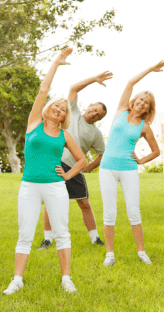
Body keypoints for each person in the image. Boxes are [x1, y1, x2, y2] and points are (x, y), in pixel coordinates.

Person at [2, 48, 86, 295]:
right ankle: (17, 280)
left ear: (64, 117)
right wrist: (56, 63)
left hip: (55, 186)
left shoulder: (64, 134)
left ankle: (66, 279)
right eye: (56, 105)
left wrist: (68, 175)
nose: (59, 108)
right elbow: (42, 89)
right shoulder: (34, 124)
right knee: (25, 233)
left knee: (62, 232)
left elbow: (81, 160)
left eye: (63, 108)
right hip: (29, 186)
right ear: (48, 108)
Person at [99, 60, 164, 266]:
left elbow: (156, 150)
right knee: (109, 211)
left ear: (148, 109)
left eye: (147, 102)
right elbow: (130, 82)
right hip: (107, 168)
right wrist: (151, 69)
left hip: (128, 169)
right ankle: (109, 254)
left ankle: (141, 252)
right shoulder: (121, 111)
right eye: (141, 99)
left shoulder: (145, 127)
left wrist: (141, 160)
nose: (142, 103)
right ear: (134, 100)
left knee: (133, 210)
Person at [38, 71, 111, 249]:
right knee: (50, 202)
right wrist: (94, 78)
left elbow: (102, 154)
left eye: (98, 115)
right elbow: (73, 88)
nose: (94, 114)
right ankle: (48, 239)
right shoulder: (74, 112)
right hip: (55, 163)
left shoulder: (95, 134)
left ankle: (95, 238)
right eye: (94, 110)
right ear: (90, 105)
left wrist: (89, 167)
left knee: (84, 203)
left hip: (75, 168)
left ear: (99, 119)